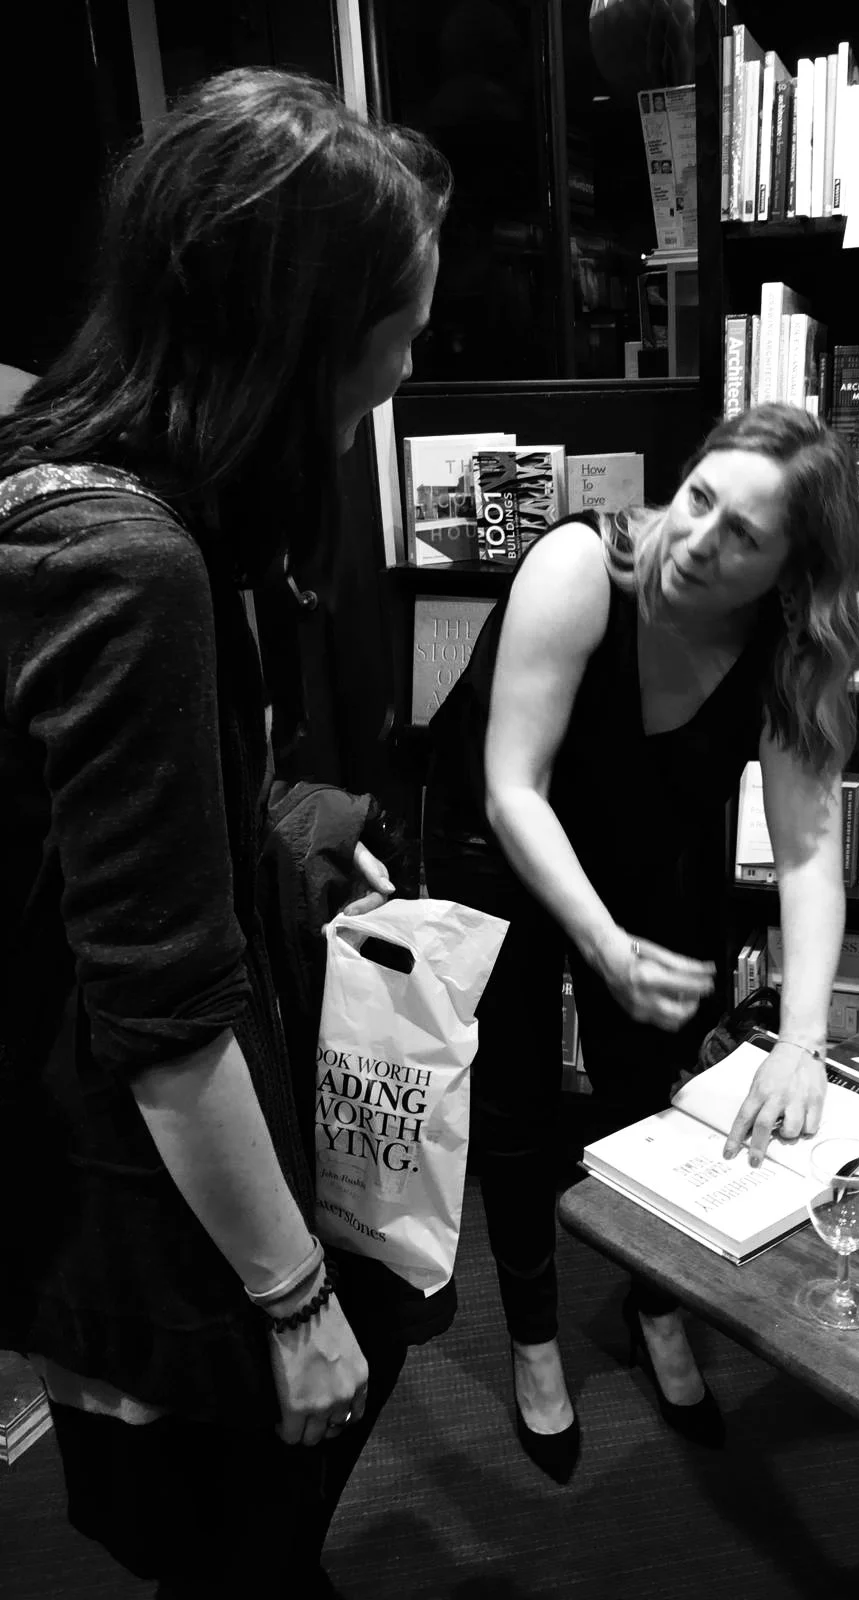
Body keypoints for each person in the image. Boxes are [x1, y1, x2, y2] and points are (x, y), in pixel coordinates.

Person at [0, 69, 450, 1598]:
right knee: (254, 1507)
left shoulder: (65, 485)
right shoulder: (135, 563)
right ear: (302, 337)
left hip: (93, 1170)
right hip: (134, 1190)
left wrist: (287, 850)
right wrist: (287, 1294)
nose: (407, 366)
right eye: (396, 332)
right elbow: (160, 1008)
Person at [423, 402, 859, 1481]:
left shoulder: (786, 649)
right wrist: (602, 946)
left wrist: (802, 1038)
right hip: (500, 831)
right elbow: (513, 786)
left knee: (649, 1088)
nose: (697, 540)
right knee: (521, 1103)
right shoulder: (583, 568)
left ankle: (655, 1308)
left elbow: (809, 854)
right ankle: (533, 1337)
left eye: (742, 537)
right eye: (699, 495)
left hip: (645, 840)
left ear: (789, 574)